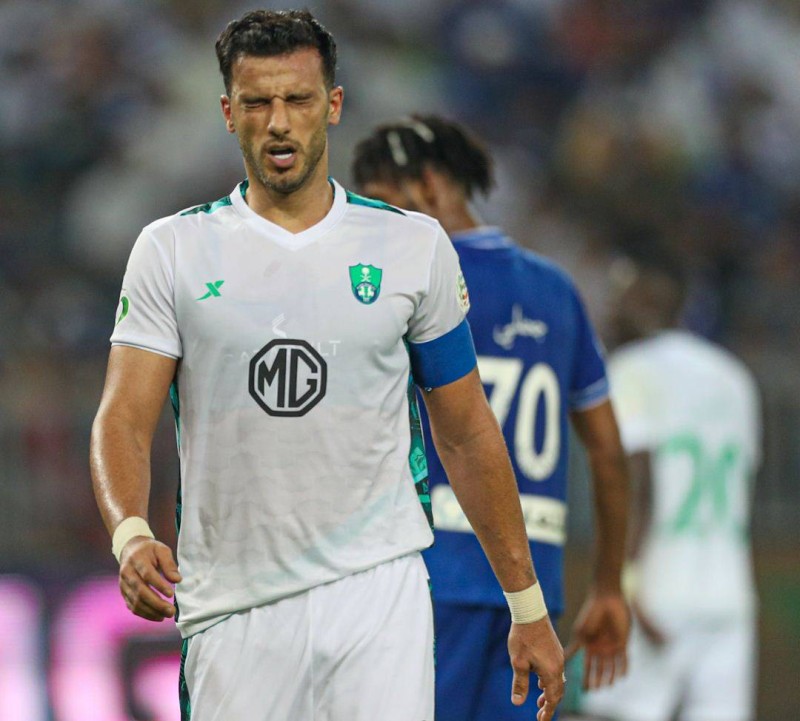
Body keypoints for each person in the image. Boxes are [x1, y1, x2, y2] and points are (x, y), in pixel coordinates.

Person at [89, 10, 565, 721]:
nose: (279, 122)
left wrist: (526, 605)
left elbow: (466, 430)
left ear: (333, 105)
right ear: (228, 113)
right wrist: (130, 532)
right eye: (257, 103)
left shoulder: (412, 246)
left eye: (298, 99)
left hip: (378, 593)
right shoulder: (172, 250)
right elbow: (124, 416)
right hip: (233, 603)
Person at [352, 114, 630, 721]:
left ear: (427, 185)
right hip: (532, 596)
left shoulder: (404, 284)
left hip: (426, 580)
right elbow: (608, 452)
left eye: (378, 200)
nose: (371, 221)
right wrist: (609, 585)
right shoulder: (557, 290)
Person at [580, 255, 762, 721]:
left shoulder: (633, 368)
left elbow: (636, 480)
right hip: (728, 595)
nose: (609, 310)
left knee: (617, 713)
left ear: (647, 300)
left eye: (619, 296)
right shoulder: (734, 376)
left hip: (656, 590)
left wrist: (624, 584)